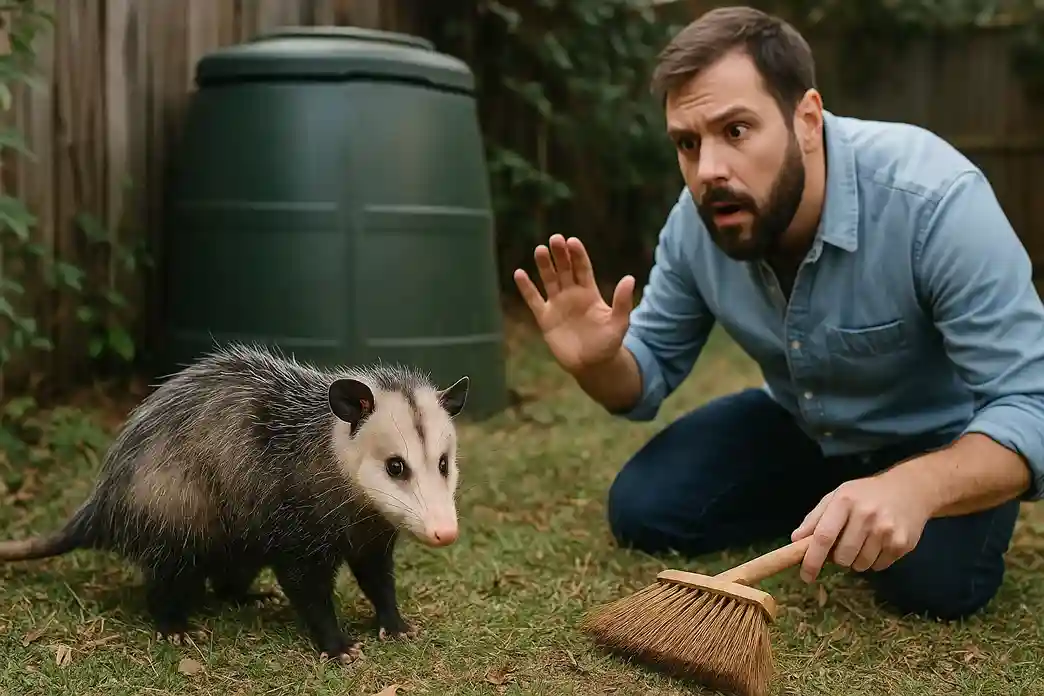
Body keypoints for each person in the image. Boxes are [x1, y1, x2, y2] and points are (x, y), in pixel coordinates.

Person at [513, 5, 1044, 621]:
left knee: (931, 585)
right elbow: (644, 375)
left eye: (735, 130)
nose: (708, 171)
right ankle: (834, 498)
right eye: (688, 143)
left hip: (940, 437)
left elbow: (1032, 402)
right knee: (645, 509)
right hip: (806, 424)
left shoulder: (933, 201)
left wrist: (914, 487)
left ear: (808, 120)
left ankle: (874, 497)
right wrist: (597, 363)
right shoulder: (696, 222)